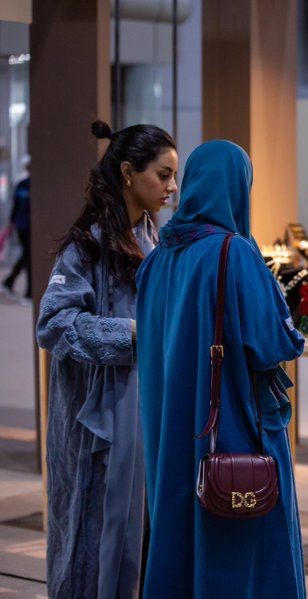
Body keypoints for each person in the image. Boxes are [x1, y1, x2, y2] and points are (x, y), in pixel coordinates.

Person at [136, 140, 306, 597]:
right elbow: (274, 344)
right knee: (242, 544)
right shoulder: (234, 253)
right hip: (231, 424)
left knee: (177, 529)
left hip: (170, 430)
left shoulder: (156, 259)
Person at [35, 120, 177, 598]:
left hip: (144, 409)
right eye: (162, 175)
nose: (171, 187)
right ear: (129, 172)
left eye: (174, 176)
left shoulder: (155, 239)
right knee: (92, 530)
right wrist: (131, 334)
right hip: (98, 420)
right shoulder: (88, 244)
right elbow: (54, 323)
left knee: (139, 530)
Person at [3, 157, 31, 298]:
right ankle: (27, 291)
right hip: (23, 226)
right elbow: (16, 206)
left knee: (27, 256)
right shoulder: (22, 185)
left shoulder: (34, 185)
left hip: (31, 227)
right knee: (27, 256)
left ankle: (10, 281)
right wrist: (11, 223)